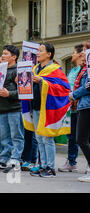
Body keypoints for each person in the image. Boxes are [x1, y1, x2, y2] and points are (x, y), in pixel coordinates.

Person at [27, 43, 71, 178]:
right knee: (39, 138)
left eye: (40, 51)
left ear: (49, 54)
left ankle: (50, 168)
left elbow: (64, 88)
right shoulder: (34, 69)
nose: (37, 53)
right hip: (35, 106)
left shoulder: (55, 70)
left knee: (47, 138)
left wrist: (42, 81)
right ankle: (43, 165)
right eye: (37, 51)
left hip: (47, 108)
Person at [0, 45, 24, 173]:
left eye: (5, 54)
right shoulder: (0, 70)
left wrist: (9, 94)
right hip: (2, 109)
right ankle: (4, 160)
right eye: (2, 53)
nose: (2, 56)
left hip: (14, 108)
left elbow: (24, 91)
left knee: (16, 136)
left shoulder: (19, 71)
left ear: (14, 57)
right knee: (4, 137)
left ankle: (16, 160)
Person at [58, 44, 83, 173]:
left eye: (74, 52)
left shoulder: (84, 70)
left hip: (81, 107)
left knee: (82, 137)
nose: (72, 55)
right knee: (71, 136)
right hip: (70, 108)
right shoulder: (72, 71)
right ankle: (71, 162)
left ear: (80, 54)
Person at [69, 42, 90, 182]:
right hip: (83, 105)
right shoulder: (84, 69)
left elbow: (88, 86)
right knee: (84, 139)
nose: (82, 53)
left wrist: (73, 95)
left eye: (83, 50)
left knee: (81, 139)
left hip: (86, 105)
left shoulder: (87, 69)